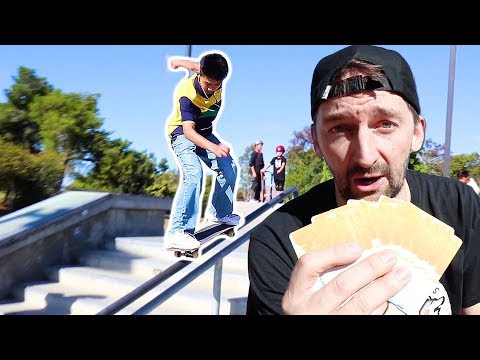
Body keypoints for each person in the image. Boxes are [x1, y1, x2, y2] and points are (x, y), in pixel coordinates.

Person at [247, 45, 480, 315]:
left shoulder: (460, 205)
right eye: (340, 128)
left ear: (417, 133)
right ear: (317, 142)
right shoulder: (277, 242)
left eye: (386, 124)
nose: (365, 156)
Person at [164, 51, 241, 251]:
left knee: (229, 167)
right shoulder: (186, 93)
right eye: (208, 85)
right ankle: (177, 232)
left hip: (205, 132)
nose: (212, 89)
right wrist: (215, 147)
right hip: (182, 133)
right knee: (194, 174)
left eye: (217, 85)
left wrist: (176, 62)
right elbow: (189, 132)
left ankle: (220, 214)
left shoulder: (212, 75)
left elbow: (195, 65)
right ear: (200, 77)